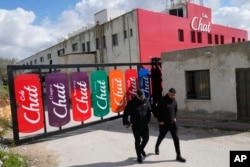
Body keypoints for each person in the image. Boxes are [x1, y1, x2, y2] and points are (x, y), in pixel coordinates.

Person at [155, 88, 186, 163]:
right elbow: (158, 111)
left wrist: (175, 117)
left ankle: (178, 155)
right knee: (161, 136)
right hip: (164, 123)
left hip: (172, 123)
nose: (173, 96)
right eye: (172, 95)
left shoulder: (174, 101)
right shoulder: (162, 100)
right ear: (168, 93)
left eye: (174, 95)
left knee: (176, 139)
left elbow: (175, 110)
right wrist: (160, 121)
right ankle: (157, 147)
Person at [123, 89, 152, 163]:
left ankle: (141, 149)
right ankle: (139, 155)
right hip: (136, 125)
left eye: (143, 96)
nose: (142, 98)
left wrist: (148, 120)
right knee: (137, 141)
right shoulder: (131, 103)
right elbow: (126, 113)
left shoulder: (146, 101)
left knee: (146, 139)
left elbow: (149, 112)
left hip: (145, 125)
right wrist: (125, 122)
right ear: (137, 95)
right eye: (141, 97)